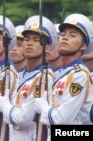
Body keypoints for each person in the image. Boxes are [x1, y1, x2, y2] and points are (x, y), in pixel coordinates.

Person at [0, 15, 58, 141]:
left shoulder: (44, 77)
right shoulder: (20, 75)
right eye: (27, 39)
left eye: (36, 40)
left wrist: (5, 106)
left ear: (47, 47)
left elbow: (23, 119)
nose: (29, 43)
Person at [35, 13, 93, 141]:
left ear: (84, 45)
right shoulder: (64, 73)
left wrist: (43, 106)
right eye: (63, 34)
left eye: (72, 35)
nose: (65, 38)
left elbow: (62, 120)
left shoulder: (79, 75)